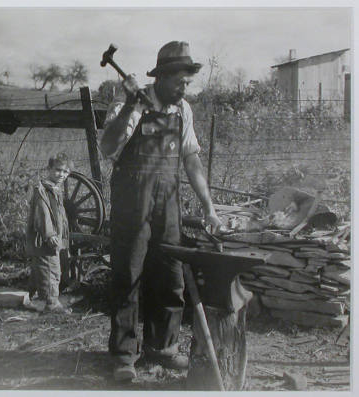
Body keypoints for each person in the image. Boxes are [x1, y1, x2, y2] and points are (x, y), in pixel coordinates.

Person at [100, 41, 222, 381]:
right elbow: (108, 147)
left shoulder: (183, 110)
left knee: (170, 274)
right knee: (128, 274)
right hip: (131, 199)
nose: (184, 88)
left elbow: (191, 158)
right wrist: (127, 106)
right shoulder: (132, 103)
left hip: (167, 201)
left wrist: (208, 206)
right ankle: (125, 355)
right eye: (179, 82)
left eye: (187, 82)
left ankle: (163, 347)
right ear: (162, 78)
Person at [23, 152, 73, 314]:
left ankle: (31, 294)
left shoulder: (54, 189)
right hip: (45, 238)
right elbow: (42, 214)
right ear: (49, 169)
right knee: (52, 269)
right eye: (58, 170)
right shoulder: (43, 191)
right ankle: (52, 304)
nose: (61, 175)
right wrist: (49, 234)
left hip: (52, 236)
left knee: (41, 266)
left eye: (65, 172)